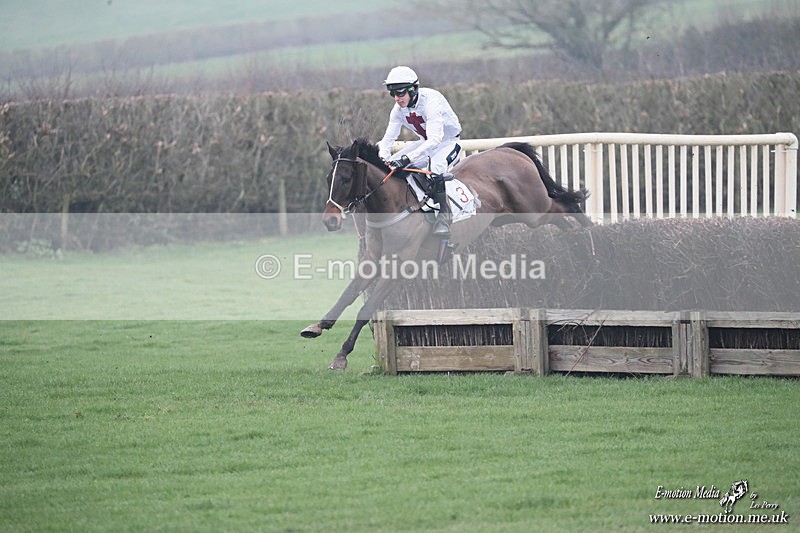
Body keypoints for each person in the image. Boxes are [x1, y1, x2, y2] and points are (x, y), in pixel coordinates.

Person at [377, 66, 462, 238]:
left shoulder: (431, 101)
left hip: (448, 142)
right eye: (392, 94)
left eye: (400, 93)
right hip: (425, 143)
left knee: (436, 167)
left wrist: (407, 159)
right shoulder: (397, 110)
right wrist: (383, 158)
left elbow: (435, 140)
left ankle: (444, 217)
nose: (396, 98)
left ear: (413, 89)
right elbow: (387, 140)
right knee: (392, 165)